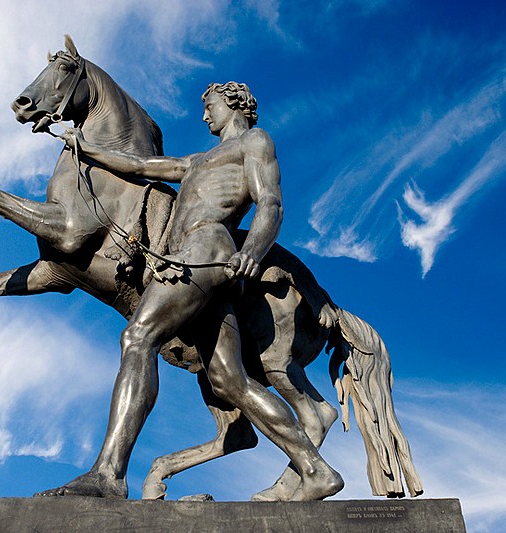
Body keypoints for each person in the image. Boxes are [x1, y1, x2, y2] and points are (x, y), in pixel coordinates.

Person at [38, 82, 343, 501]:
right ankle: (316, 471)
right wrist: (83, 146)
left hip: (206, 250)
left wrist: (252, 250)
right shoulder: (201, 160)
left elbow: (270, 203)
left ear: (234, 105)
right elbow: (140, 166)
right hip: (195, 256)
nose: (205, 116)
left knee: (138, 337)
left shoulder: (254, 141)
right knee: (228, 381)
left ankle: (108, 474)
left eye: (210, 106)